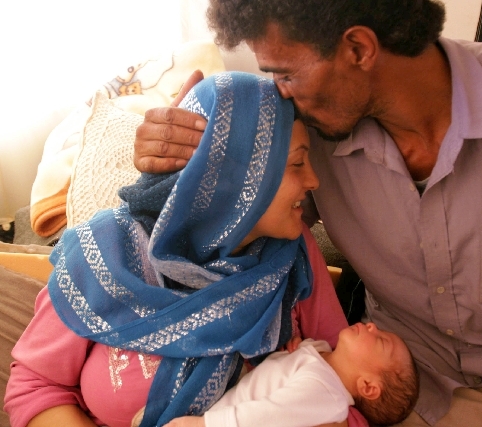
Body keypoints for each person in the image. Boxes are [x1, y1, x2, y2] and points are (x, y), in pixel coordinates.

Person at [132, 1, 482, 426]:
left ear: (358, 49)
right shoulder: (305, 134)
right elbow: (240, 222)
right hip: (394, 381)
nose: (281, 92)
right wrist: (173, 172)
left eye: (286, 73)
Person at [4, 72, 367, 427]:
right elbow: (35, 388)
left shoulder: (292, 254)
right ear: (233, 178)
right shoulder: (103, 252)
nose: (313, 181)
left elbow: (350, 384)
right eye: (297, 163)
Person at [162, 322, 419, 427]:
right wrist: (291, 350)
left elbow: (267, 417)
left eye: (381, 341)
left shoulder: (328, 395)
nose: (372, 326)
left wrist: (205, 425)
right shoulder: (322, 352)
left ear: (368, 387)